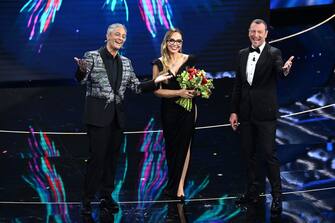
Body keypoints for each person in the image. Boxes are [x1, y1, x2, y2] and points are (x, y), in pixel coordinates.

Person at [74, 23, 171, 216]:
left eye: (124, 36)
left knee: (112, 160)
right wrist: (82, 70)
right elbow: (82, 80)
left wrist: (155, 82)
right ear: (107, 36)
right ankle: (87, 198)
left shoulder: (126, 61)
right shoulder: (92, 56)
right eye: (117, 34)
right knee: (97, 159)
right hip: (98, 117)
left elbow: (135, 86)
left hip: (117, 118)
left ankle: (106, 197)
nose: (121, 38)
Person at [229, 19, 294, 215]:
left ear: (266, 34)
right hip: (246, 113)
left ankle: (276, 196)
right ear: (249, 32)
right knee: (248, 155)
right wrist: (234, 111)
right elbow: (238, 85)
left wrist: (284, 70)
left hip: (265, 114)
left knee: (268, 155)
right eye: (252, 31)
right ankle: (253, 192)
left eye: (259, 32)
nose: (255, 35)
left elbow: (279, 70)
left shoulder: (274, 53)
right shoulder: (241, 54)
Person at [152, 28, 196, 201]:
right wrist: (179, 92)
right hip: (169, 110)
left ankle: (179, 187)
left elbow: (195, 84)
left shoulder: (189, 59)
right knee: (171, 147)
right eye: (172, 40)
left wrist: (196, 90)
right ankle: (172, 182)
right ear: (166, 42)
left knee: (185, 147)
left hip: (188, 109)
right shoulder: (158, 63)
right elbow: (157, 91)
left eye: (178, 41)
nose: (175, 44)